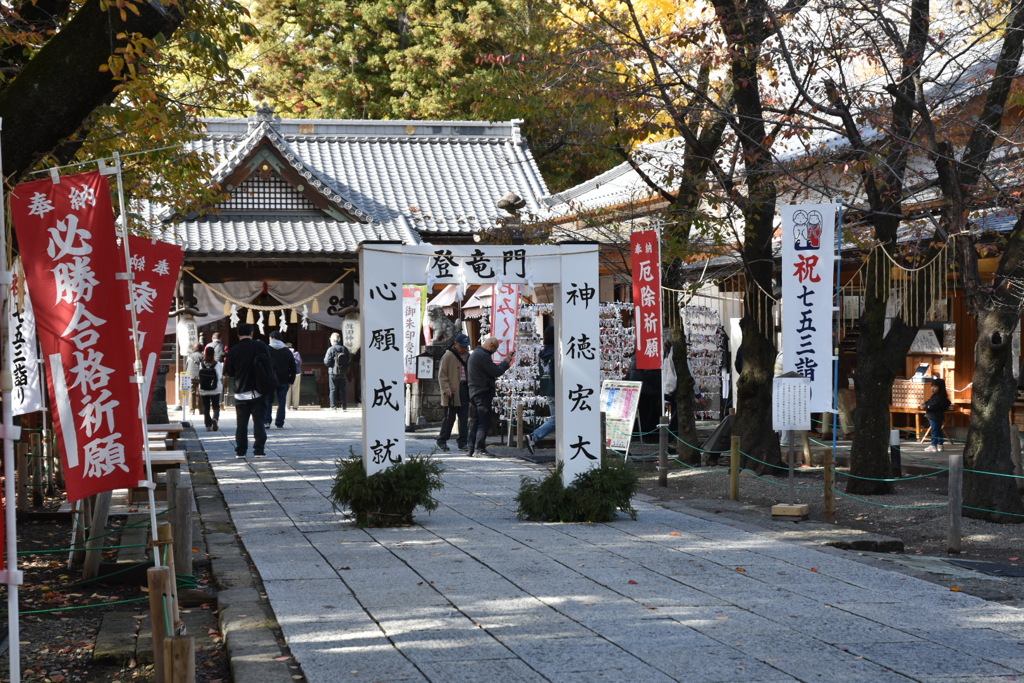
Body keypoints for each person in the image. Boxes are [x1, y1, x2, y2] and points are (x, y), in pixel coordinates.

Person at [223, 323, 272, 458]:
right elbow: (268, 364)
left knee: (242, 424)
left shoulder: (233, 350)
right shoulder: (260, 346)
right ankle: (259, 450)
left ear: (238, 334)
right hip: (258, 390)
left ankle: (241, 451)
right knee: (259, 422)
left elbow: (230, 371)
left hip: (241, 391)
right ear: (252, 333)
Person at [467, 336, 514, 457]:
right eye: (495, 349)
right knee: (483, 421)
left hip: (474, 391)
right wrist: (506, 362)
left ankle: (471, 448)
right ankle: (479, 449)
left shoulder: (476, 353)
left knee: (476, 421)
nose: (494, 352)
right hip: (482, 392)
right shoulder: (482, 356)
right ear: (491, 346)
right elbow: (496, 371)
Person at [436, 333, 471, 452]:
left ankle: (462, 442)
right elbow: (442, 375)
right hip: (452, 391)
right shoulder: (448, 355)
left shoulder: (468, 355)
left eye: (466, 346)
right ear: (456, 344)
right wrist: (446, 389)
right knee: (449, 418)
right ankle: (442, 440)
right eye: (462, 346)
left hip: (464, 389)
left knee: (464, 418)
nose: (464, 348)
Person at [525, 327, 556, 455]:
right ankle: (535, 436)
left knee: (557, 418)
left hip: (547, 388)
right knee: (558, 419)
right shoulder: (556, 352)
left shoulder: (543, 353)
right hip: (557, 389)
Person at [265, 330, 297, 428]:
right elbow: (293, 367)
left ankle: (266, 421)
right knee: (282, 402)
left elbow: (261, 365)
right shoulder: (287, 351)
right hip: (284, 379)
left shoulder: (266, 349)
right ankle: (279, 423)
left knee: (268, 401)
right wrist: (291, 380)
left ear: (272, 338)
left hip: (269, 380)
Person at [923, 377, 952, 452]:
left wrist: (926, 406)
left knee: (935, 431)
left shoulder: (939, 397)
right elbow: (929, 402)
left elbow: (933, 405)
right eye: (932, 386)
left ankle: (933, 445)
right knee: (938, 430)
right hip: (937, 416)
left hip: (935, 416)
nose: (933, 388)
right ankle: (940, 445)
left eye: (935, 386)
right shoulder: (935, 396)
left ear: (940, 387)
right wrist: (925, 404)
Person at [198, 346, 223, 431]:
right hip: (215, 389)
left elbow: (199, 376)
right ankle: (215, 419)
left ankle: (208, 425)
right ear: (213, 354)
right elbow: (219, 376)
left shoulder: (201, 364)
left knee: (206, 408)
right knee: (216, 406)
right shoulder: (217, 364)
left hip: (204, 389)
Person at [324, 332, 351, 410]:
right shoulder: (344, 349)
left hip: (333, 372)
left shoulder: (331, 349)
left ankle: (333, 406)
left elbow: (326, 361)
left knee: (333, 389)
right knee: (343, 389)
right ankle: (344, 405)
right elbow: (349, 359)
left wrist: (331, 365)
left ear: (333, 340)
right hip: (343, 372)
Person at [185, 342, 204, 417]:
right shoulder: (203, 356)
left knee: (191, 392)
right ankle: (201, 410)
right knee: (201, 393)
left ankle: (191, 410)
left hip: (191, 376)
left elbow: (187, 365)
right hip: (200, 376)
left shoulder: (190, 356)